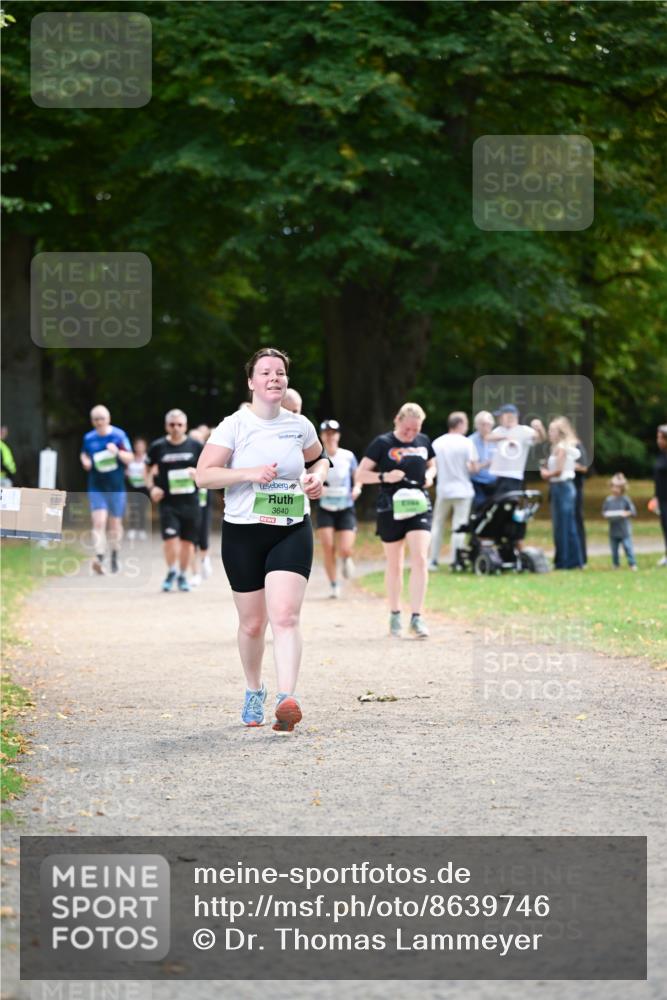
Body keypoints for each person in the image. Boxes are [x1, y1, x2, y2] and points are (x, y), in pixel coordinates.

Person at [195, 348, 330, 733]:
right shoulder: (234, 426)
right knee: (253, 624)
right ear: (251, 382)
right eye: (266, 372)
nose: (274, 378)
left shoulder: (299, 425)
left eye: (280, 372)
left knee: (285, 616)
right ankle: (254, 689)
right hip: (244, 533)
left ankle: (287, 699)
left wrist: (317, 478)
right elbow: (203, 476)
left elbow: (319, 460)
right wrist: (248, 473)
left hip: (291, 528)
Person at [356, 403, 436, 639]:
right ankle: (395, 613)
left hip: (418, 505)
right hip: (390, 507)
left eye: (416, 429)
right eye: (407, 429)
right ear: (397, 420)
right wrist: (385, 476)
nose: (411, 434)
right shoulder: (382, 443)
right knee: (395, 564)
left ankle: (417, 617)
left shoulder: (423, 441)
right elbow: (360, 474)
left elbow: (432, 465)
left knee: (420, 558)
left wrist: (430, 475)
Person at [146, 410, 204, 593]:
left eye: (179, 424)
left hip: (191, 502)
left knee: (188, 543)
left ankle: (182, 575)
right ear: (166, 426)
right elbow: (146, 469)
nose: (176, 428)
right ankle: (172, 570)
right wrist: (152, 488)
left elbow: (209, 469)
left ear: (185, 426)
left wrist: (198, 474)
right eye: (172, 424)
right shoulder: (158, 446)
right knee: (170, 540)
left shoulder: (196, 446)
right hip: (168, 503)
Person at [80, 405, 133, 575]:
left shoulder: (119, 435)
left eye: (102, 418)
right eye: (96, 419)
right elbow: (84, 454)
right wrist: (85, 461)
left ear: (108, 419)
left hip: (116, 487)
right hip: (97, 486)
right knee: (99, 522)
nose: (99, 422)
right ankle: (100, 557)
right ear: (92, 421)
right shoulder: (89, 438)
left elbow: (130, 458)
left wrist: (117, 452)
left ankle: (115, 555)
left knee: (114, 524)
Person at [316, 419, 361, 598]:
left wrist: (357, 488)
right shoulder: (316, 456)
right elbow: (307, 476)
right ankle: (334, 585)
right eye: (327, 433)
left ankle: (346, 557)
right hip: (325, 507)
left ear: (339, 435)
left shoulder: (348, 456)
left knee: (345, 548)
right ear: (321, 436)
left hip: (345, 507)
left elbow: (358, 475)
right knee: (328, 547)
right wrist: (316, 487)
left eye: (333, 433)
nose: (330, 436)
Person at [429, 412, 479, 571]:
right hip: (463, 490)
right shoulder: (467, 443)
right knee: (459, 526)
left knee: (437, 525)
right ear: (460, 424)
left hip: (443, 490)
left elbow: (432, 466)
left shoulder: (438, 443)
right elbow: (473, 467)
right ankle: (455, 560)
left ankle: (433, 560)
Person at [539, 417, 583, 569]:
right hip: (561, 487)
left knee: (563, 526)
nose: (549, 433)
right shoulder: (558, 447)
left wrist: (546, 474)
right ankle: (573, 560)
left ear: (559, 432)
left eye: (552, 430)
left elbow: (559, 471)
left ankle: (563, 561)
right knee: (567, 525)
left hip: (562, 487)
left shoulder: (562, 448)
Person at [487, 404, 546, 495]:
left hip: (513, 476)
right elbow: (487, 438)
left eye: (501, 416)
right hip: (496, 476)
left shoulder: (524, 431)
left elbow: (541, 439)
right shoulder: (498, 430)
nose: (499, 418)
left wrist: (539, 428)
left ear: (510, 416)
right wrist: (505, 437)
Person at [189, 425, 214, 586]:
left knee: (203, 538)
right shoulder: (184, 458)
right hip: (187, 503)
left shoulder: (209, 458)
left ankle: (205, 558)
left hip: (204, 502)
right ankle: (195, 573)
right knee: (190, 539)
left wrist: (198, 475)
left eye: (198, 440)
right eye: (192, 439)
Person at [602, 473, 638, 571]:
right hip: (613, 530)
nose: (615, 489)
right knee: (614, 549)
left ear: (622, 488)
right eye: (613, 487)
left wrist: (626, 513)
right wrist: (607, 515)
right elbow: (604, 512)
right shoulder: (608, 500)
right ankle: (615, 564)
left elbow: (633, 512)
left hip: (624, 530)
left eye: (617, 487)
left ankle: (632, 563)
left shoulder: (625, 500)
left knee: (627, 547)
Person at [468, 411, 496, 509]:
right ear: (476, 425)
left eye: (488, 424)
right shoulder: (470, 441)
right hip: (476, 482)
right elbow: (470, 467)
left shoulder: (497, 439)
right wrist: (485, 464)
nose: (486, 427)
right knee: (480, 508)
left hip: (495, 481)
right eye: (482, 424)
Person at [125, 436, 150, 541]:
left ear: (145, 447)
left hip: (144, 487)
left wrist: (147, 476)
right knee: (133, 507)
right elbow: (126, 471)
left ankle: (141, 529)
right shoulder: (130, 458)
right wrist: (127, 473)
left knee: (142, 508)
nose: (139, 448)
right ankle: (132, 529)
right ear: (134, 447)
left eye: (141, 446)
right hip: (132, 486)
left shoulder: (148, 458)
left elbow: (153, 471)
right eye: (138, 446)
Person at [652, 424, 667, 567]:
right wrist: (655, 497)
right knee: (665, 525)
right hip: (662, 498)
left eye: (660, 438)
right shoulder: (661, 454)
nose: (658, 441)